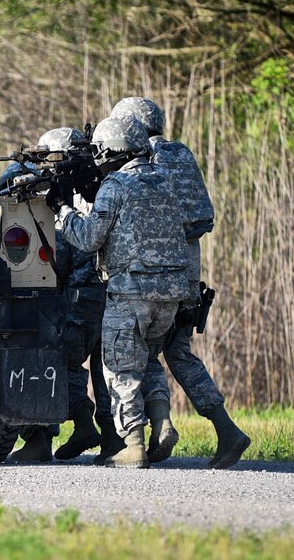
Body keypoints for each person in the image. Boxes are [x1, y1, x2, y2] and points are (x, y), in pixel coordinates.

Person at [110, 97, 251, 469]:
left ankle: (146, 434)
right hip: (188, 270)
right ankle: (224, 431)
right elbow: (201, 217)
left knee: (140, 352)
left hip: (157, 272)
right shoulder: (181, 154)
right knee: (178, 352)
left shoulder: (142, 161)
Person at [52, 116, 190, 468]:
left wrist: (63, 210)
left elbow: (87, 238)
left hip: (131, 292)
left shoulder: (116, 185)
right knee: (147, 360)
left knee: (119, 368)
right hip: (171, 292)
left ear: (113, 150)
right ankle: (162, 422)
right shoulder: (166, 180)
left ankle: (133, 444)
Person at [8, 127, 106, 463]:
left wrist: (24, 166)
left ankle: (41, 440)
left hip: (76, 303)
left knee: (46, 359)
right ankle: (84, 424)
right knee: (69, 363)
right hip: (98, 302)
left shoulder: (66, 203)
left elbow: (57, 259)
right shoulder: (99, 188)